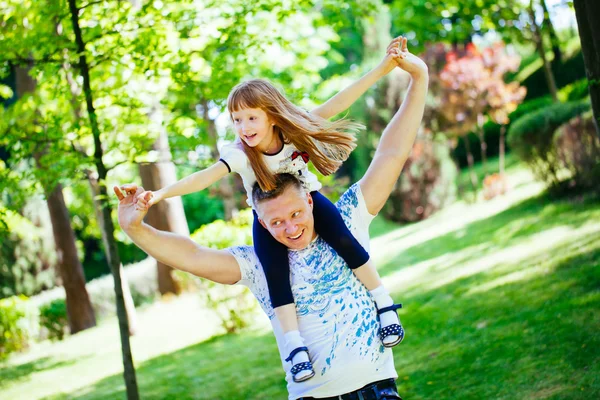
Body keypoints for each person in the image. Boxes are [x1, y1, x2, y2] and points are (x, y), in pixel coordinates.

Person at [115, 38, 428, 400]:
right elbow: (192, 254)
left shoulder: (346, 218)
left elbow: (390, 151)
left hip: (378, 391)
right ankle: (296, 347)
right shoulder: (258, 260)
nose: (291, 228)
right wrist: (138, 221)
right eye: (276, 222)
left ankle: (386, 304)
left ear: (311, 203)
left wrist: (414, 78)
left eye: (296, 214)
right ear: (260, 221)